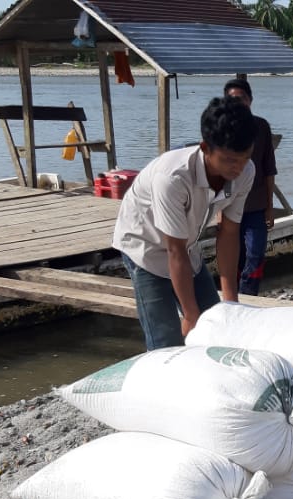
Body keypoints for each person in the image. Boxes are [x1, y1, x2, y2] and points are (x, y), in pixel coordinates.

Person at [111, 96, 256, 350]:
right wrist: (190, 315)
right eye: (230, 160)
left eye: (244, 158)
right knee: (166, 340)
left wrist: (231, 303)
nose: (238, 168)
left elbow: (229, 233)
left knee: (215, 326)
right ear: (205, 148)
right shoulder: (172, 177)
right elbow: (173, 251)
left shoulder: (246, 171)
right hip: (145, 247)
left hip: (188, 247)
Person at [222, 77, 278, 295]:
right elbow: (216, 173)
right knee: (236, 257)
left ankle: (249, 296)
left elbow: (269, 168)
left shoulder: (261, 127)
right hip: (229, 207)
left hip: (256, 206)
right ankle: (233, 295)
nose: (238, 104)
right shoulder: (221, 129)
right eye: (232, 100)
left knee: (256, 254)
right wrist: (218, 211)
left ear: (250, 101)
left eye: (242, 99)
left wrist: (269, 206)